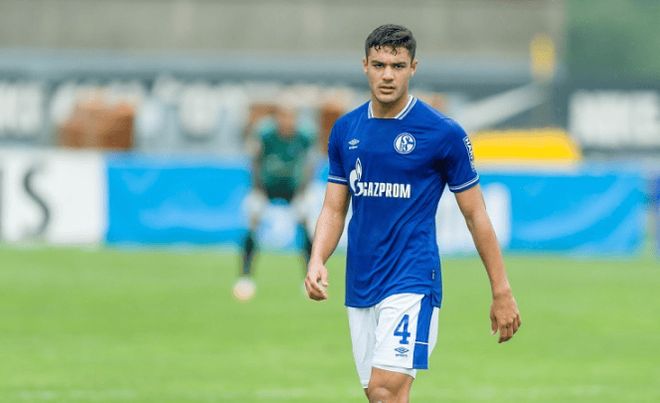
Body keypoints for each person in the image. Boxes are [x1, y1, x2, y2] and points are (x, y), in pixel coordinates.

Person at [304, 24, 521, 402]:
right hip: (361, 280)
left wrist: (501, 290)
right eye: (379, 65)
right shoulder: (345, 130)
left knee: (385, 391)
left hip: (412, 278)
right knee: (381, 396)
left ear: (413, 68)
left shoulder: (442, 133)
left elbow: (476, 215)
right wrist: (317, 258)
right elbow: (334, 207)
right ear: (365, 66)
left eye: (398, 66)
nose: (387, 75)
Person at [233, 102, 315, 301]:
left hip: (293, 188)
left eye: (290, 116)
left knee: (306, 224)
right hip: (266, 187)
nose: (286, 121)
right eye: (283, 116)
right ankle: (245, 276)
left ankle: (311, 277)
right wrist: (258, 189)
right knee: (253, 221)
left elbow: (309, 164)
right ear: (276, 118)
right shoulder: (265, 133)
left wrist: (303, 191)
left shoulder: (304, 135)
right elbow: (255, 161)